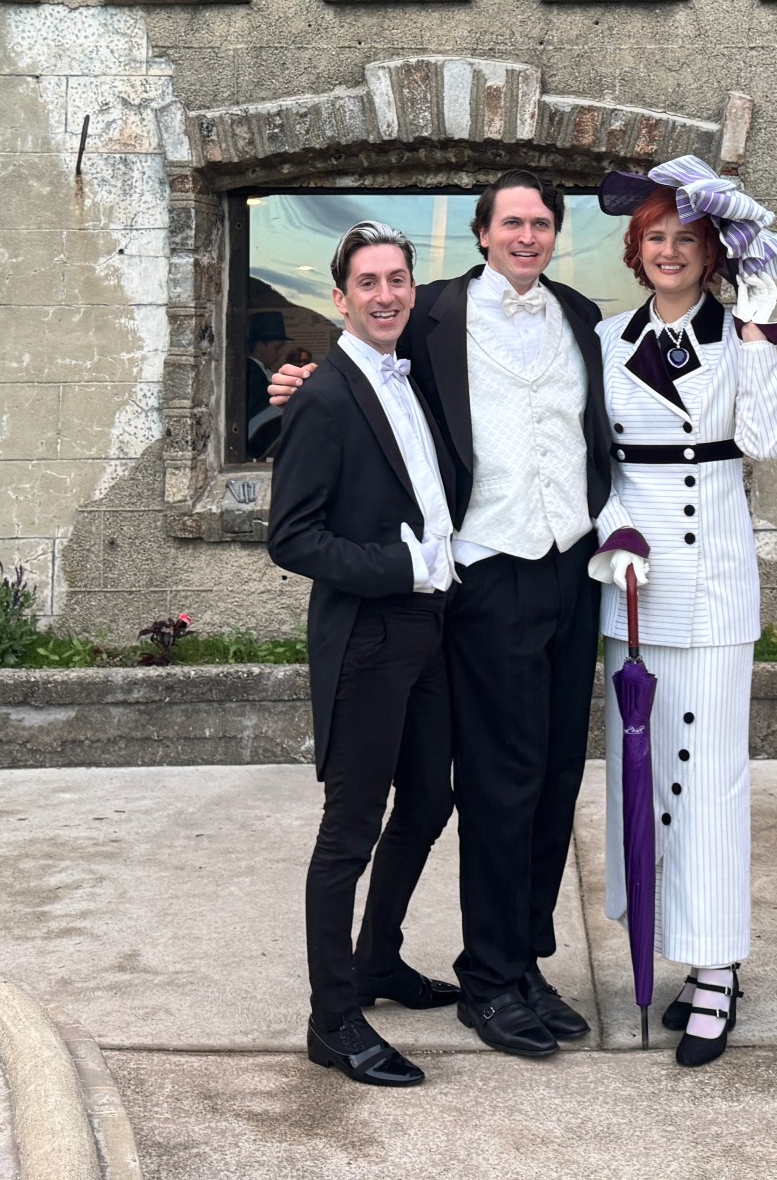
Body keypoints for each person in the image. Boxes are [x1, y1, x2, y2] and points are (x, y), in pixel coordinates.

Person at [270, 170, 612, 1058]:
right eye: (512, 223)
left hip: (572, 569)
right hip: (486, 573)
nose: (527, 236)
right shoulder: (432, 316)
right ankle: (489, 978)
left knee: (554, 781)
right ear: (482, 233)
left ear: (555, 234)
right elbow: (355, 372)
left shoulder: (581, 316)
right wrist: (293, 382)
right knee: (500, 781)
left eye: (542, 223)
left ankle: (523, 959)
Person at [590, 158, 777, 1067]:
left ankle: (715, 968)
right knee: (645, 783)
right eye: (654, 239)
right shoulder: (602, 341)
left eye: (685, 237)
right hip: (634, 588)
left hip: (713, 582)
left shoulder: (739, 334)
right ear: (636, 252)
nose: (669, 251)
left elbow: (766, 443)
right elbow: (588, 461)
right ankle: (672, 944)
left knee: (708, 778)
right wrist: (612, 532)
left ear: (711, 251)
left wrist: (753, 336)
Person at [267, 223, 465, 1088]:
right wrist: (400, 566)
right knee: (348, 834)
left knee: (429, 801)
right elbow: (292, 537)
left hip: (431, 633)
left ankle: (378, 958)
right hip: (368, 639)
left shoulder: (407, 373)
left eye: (399, 279)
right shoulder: (326, 396)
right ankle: (332, 1018)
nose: (386, 295)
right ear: (339, 297)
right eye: (368, 283)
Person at [243, 310, 293, 459]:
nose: (279, 355)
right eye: (276, 348)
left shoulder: (259, 372)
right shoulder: (252, 374)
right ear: (259, 346)